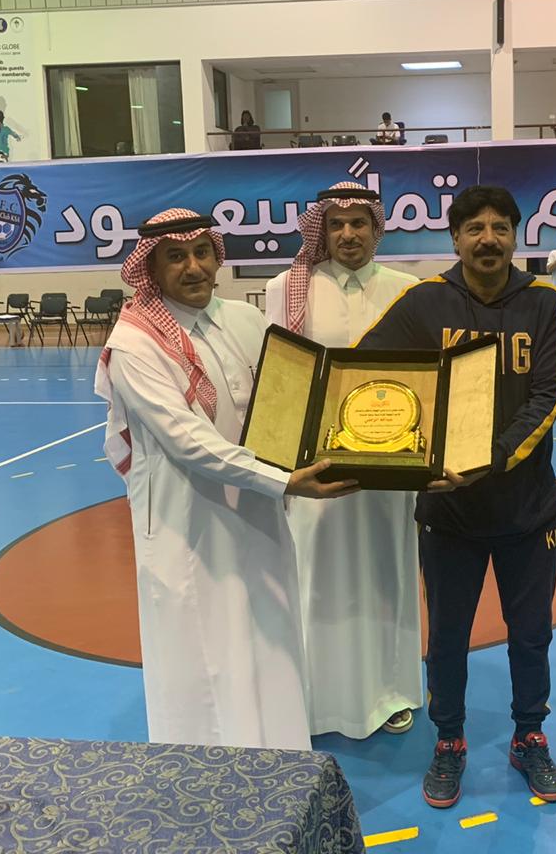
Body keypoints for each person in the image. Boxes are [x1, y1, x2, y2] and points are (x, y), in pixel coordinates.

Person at [95, 208, 355, 751]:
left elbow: (292, 396)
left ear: (217, 257)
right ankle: (210, 775)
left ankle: (281, 756)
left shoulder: (244, 320)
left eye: (202, 253)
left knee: (267, 634)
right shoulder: (134, 344)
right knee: (203, 651)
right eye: (175, 257)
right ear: (151, 269)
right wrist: (285, 480)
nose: (193, 267)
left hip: (256, 511)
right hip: (187, 523)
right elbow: (188, 442)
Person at [356, 185, 556, 808]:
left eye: (500, 227)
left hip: (528, 511)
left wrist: (487, 460)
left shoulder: (546, 302)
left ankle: (529, 736)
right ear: (455, 237)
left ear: (515, 236)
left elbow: (549, 396)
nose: (487, 239)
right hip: (448, 512)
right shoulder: (423, 302)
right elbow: (366, 368)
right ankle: (448, 740)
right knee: (447, 638)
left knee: (530, 634)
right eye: (474, 228)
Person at [266, 182, 424, 740]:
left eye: (359, 223)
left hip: (392, 469)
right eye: (336, 224)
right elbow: (280, 377)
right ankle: (316, 699)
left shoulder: (409, 291)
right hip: (318, 469)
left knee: (388, 572)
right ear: (322, 230)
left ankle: (390, 692)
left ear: (377, 229)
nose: (348, 234)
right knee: (316, 574)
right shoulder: (288, 288)